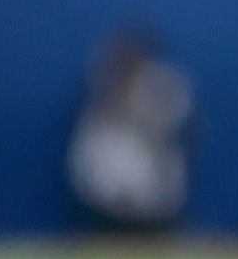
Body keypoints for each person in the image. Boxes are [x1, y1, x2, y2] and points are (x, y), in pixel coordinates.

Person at [67, 30, 197, 235]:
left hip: (158, 204)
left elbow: (178, 127)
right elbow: (87, 166)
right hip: (106, 208)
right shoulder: (99, 109)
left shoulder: (163, 89)